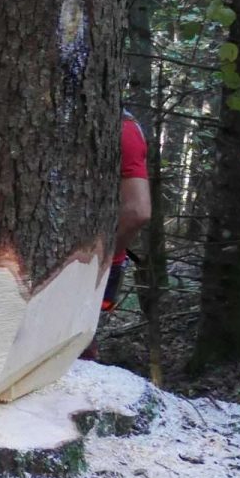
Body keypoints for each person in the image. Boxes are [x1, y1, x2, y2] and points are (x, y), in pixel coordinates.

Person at [85, 112, 152, 360]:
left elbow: (138, 211)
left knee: (71, 356)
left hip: (93, 267)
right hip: (85, 263)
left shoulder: (122, 129)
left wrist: (98, 261)